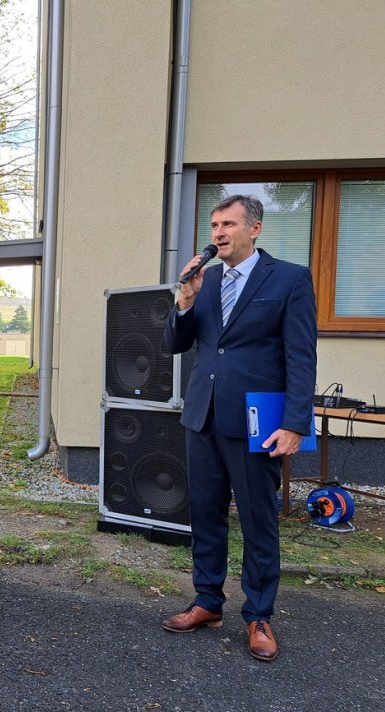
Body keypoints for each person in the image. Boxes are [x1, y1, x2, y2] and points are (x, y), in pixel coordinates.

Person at [161, 194, 317, 662]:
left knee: (257, 519)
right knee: (205, 513)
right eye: (213, 225)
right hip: (203, 416)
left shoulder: (289, 278)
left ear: (255, 229)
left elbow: (301, 357)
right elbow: (175, 343)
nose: (218, 233)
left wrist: (295, 423)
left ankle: (259, 615)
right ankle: (207, 601)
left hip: (256, 422)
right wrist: (185, 301)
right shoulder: (205, 282)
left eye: (228, 224)